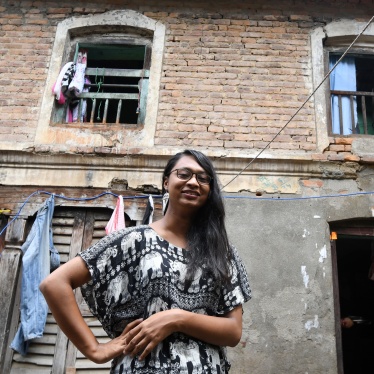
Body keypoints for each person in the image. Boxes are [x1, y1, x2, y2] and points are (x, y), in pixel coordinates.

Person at [40, 149, 251, 373]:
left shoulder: (221, 252)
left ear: (209, 191)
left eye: (202, 178)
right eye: (184, 174)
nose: (193, 182)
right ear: (166, 181)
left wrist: (176, 318)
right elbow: (54, 284)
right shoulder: (134, 240)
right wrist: (95, 350)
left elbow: (233, 331)